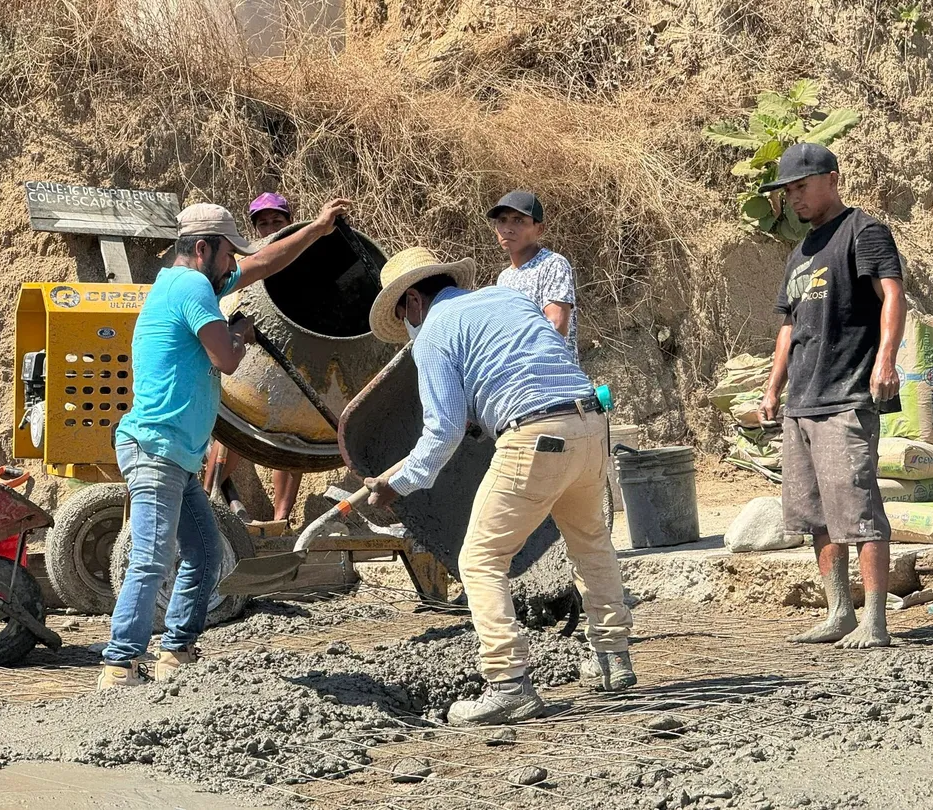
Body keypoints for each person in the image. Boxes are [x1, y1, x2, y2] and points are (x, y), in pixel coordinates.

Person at [362, 247, 634, 726]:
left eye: (403, 313)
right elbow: (523, 367)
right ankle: (613, 660)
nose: (407, 323)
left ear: (413, 303)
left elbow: (441, 434)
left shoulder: (434, 333)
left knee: (480, 560)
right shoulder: (508, 300)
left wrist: (395, 486)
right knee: (591, 544)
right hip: (590, 423)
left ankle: (508, 685)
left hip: (534, 436)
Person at [99, 197, 350, 689]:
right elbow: (227, 360)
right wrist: (240, 331)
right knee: (151, 558)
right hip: (156, 449)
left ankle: (176, 652)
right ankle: (119, 662)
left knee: (205, 552)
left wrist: (317, 230)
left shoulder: (191, 280)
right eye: (227, 253)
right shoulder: (191, 286)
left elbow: (260, 264)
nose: (234, 263)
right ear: (201, 247)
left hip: (175, 454)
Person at [758, 143, 905, 650]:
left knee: (858, 509)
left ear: (832, 179)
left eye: (801, 187)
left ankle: (875, 620)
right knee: (816, 514)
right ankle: (838, 611)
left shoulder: (864, 231)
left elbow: (893, 294)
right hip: (802, 399)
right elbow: (788, 326)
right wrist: (773, 386)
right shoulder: (800, 252)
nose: (794, 199)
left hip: (846, 395)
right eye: (787, 192)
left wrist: (886, 359)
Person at [214, 192, 304, 524]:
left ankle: (281, 520)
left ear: (289, 221)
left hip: (294, 356)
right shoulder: (245, 260)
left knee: (292, 443)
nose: (269, 228)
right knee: (238, 429)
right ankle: (213, 499)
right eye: (262, 222)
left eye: (276, 221)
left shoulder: (302, 255)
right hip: (250, 355)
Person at [489, 190, 577, 360]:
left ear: (540, 229)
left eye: (518, 220)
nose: (507, 228)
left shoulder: (552, 264)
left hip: (553, 377)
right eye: (502, 220)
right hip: (518, 378)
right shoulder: (504, 278)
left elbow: (557, 326)